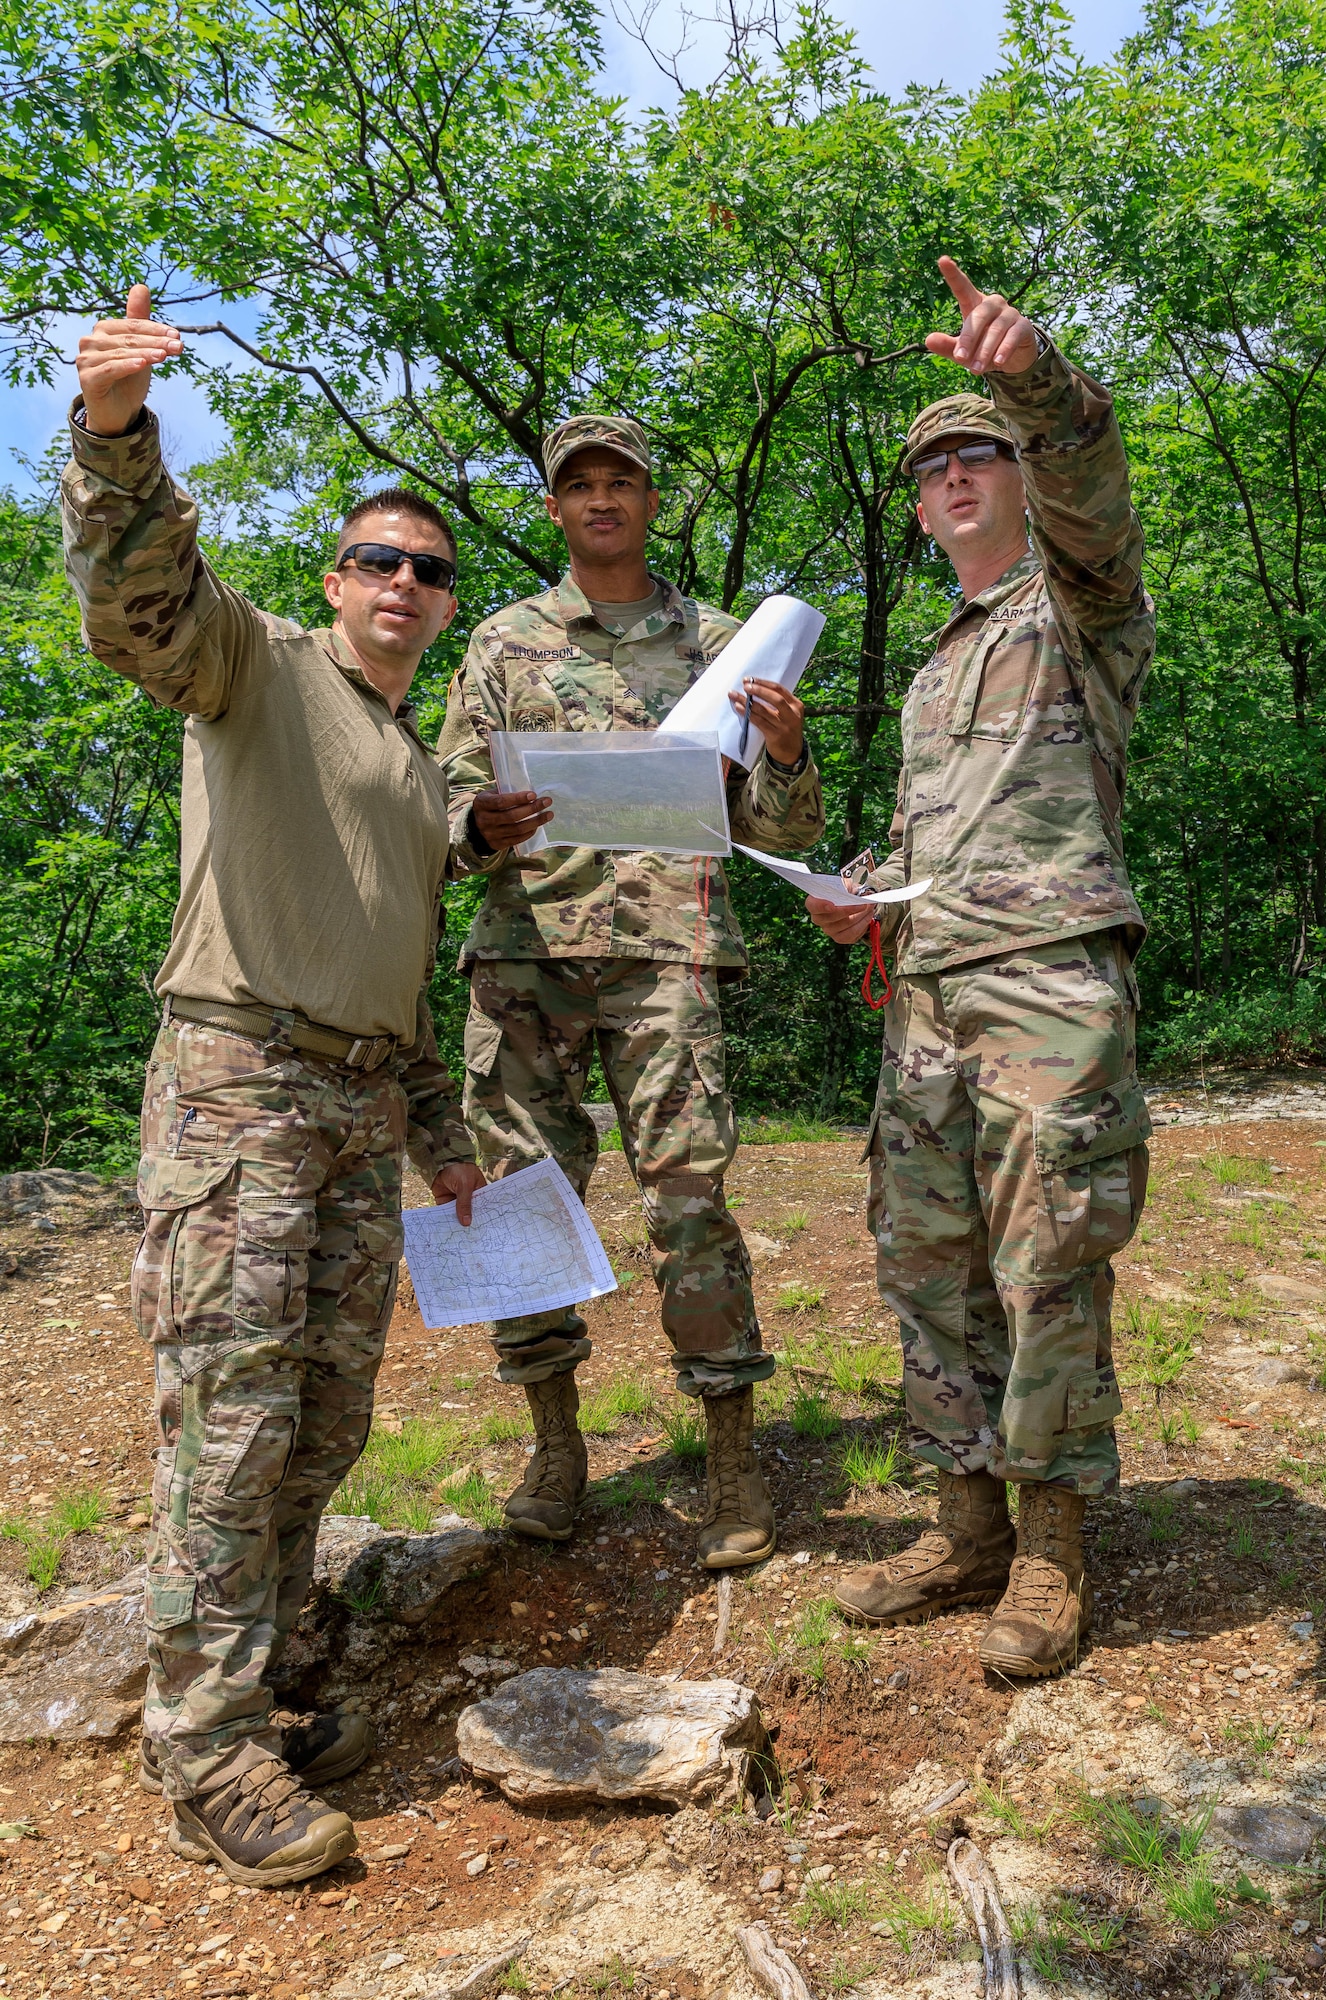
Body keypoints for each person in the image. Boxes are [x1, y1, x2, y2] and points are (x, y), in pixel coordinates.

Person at [62, 286, 486, 1884]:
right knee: (229, 1430)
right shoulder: (258, 664)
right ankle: (204, 1746)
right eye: (378, 558)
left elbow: (397, 962)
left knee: (319, 1423)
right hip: (239, 1088)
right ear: (336, 580)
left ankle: (263, 1670)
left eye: (429, 570)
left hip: (360, 1108)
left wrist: (438, 1138)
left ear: (444, 608)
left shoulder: (415, 762)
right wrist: (116, 441)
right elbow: (139, 604)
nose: (402, 582)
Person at [808, 259, 1155, 1679]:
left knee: (1046, 1261)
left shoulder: (1076, 603)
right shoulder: (932, 668)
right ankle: (965, 1523)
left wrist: (1036, 384)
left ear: (1017, 474)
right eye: (932, 464)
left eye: (979, 454)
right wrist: (860, 902)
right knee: (925, 1262)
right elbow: (923, 842)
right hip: (934, 990)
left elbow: (1092, 485)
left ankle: (1056, 1544)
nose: (954, 474)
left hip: (1047, 989)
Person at [437, 414, 824, 1568]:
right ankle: (555, 1446)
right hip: (525, 956)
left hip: (667, 955)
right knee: (516, 1203)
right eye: (579, 486)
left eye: (622, 483)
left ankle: (731, 1454)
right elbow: (448, 807)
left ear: (652, 502)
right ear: (553, 508)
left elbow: (775, 824)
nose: (601, 500)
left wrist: (790, 756)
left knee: (689, 1200)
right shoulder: (503, 645)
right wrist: (475, 824)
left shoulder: (727, 644)